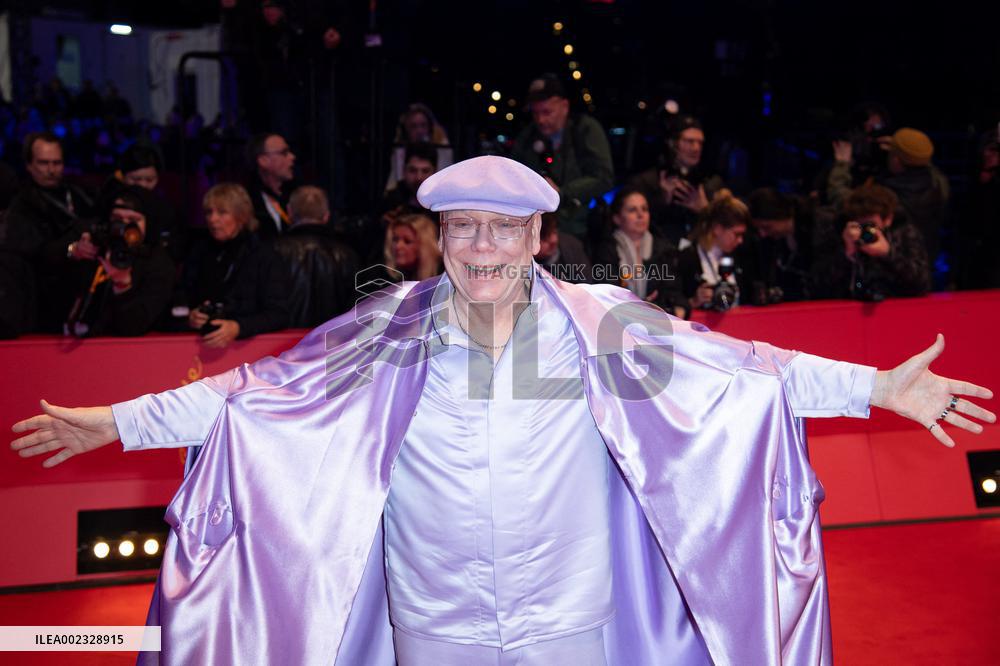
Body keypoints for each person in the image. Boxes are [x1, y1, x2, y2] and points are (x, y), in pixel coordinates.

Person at [10, 156, 994, 666]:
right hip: (434, 625)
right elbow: (254, 398)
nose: (480, 246)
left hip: (568, 622)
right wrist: (123, 421)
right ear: (437, 237)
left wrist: (875, 388)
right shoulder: (386, 329)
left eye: (502, 228)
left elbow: (745, 372)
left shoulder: (600, 325)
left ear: (537, 236)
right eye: (461, 228)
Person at [1, 132, 96, 332]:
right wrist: (71, 249)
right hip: (42, 299)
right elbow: (34, 253)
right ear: (29, 165)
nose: (51, 170)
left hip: (85, 290)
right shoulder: (21, 204)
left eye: (57, 163)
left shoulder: (79, 194)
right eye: (44, 163)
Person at [180, 183, 290, 348]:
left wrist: (239, 327)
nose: (213, 219)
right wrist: (191, 316)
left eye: (222, 212)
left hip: (252, 351)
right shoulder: (199, 252)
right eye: (209, 212)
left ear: (242, 216)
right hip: (201, 347)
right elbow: (181, 298)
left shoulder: (264, 255)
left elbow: (279, 313)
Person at [512, 73, 614, 241]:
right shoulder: (527, 137)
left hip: (580, 231)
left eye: (547, 112)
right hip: (537, 232)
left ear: (565, 106)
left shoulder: (585, 129)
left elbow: (604, 178)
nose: (540, 120)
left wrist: (561, 192)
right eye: (535, 113)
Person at [63, 188, 176, 337]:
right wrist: (73, 250)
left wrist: (122, 285)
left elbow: (133, 327)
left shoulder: (158, 262)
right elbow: (48, 255)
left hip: (126, 348)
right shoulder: (96, 244)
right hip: (74, 339)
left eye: (133, 221)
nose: (123, 227)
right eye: (117, 219)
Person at [811, 183, 931, 301]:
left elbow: (920, 285)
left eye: (871, 225)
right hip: (851, 307)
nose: (866, 231)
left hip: (895, 307)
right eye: (861, 225)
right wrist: (847, 255)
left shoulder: (905, 235)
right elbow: (819, 287)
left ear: (888, 219)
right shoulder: (841, 234)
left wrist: (888, 254)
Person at [272, 185, 361, 327]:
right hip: (332, 344)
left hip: (280, 345)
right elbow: (355, 311)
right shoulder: (346, 255)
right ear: (326, 215)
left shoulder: (272, 252)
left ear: (289, 211)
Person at [628, 115, 724, 245]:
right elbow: (631, 225)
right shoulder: (645, 182)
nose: (696, 148)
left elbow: (726, 230)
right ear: (673, 143)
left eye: (700, 142)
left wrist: (704, 209)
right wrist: (663, 200)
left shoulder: (709, 183)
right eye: (689, 141)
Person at [591, 188, 687, 317]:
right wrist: (642, 307)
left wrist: (675, 311)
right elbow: (606, 296)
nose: (641, 215)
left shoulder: (663, 249)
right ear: (617, 218)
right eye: (632, 210)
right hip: (618, 321)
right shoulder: (606, 250)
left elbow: (675, 294)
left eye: (644, 209)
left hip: (659, 323)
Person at [676, 191, 748, 311]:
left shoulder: (741, 257)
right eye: (737, 234)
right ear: (717, 229)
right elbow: (673, 305)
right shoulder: (687, 258)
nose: (741, 240)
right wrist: (693, 302)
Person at [245, 133, 296, 240]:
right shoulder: (246, 201)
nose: (292, 157)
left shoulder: (296, 196)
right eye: (284, 153)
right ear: (263, 161)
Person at [534, 212, 591, 284]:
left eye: (554, 231)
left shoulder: (572, 247)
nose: (553, 240)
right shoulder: (523, 265)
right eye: (544, 237)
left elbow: (586, 286)